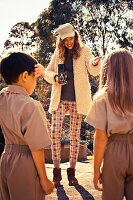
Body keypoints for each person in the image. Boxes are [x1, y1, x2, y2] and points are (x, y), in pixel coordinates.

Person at [34, 23, 101, 187]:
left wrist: (94, 63)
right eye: (66, 40)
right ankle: (57, 172)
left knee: (74, 135)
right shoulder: (58, 52)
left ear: (75, 37)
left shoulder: (84, 51)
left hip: (78, 100)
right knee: (55, 132)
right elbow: (47, 72)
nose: (69, 42)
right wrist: (55, 77)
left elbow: (93, 72)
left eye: (71, 39)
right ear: (61, 41)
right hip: (60, 100)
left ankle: (71, 172)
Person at [0, 52, 54, 200]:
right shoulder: (31, 105)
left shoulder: (2, 99)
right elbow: (36, 147)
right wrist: (44, 179)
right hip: (25, 163)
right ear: (25, 76)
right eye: (34, 77)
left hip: (5, 160)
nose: (35, 83)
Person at [85, 49, 133, 200]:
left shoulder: (102, 98)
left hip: (114, 152)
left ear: (108, 70)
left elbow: (100, 137)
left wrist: (96, 169)